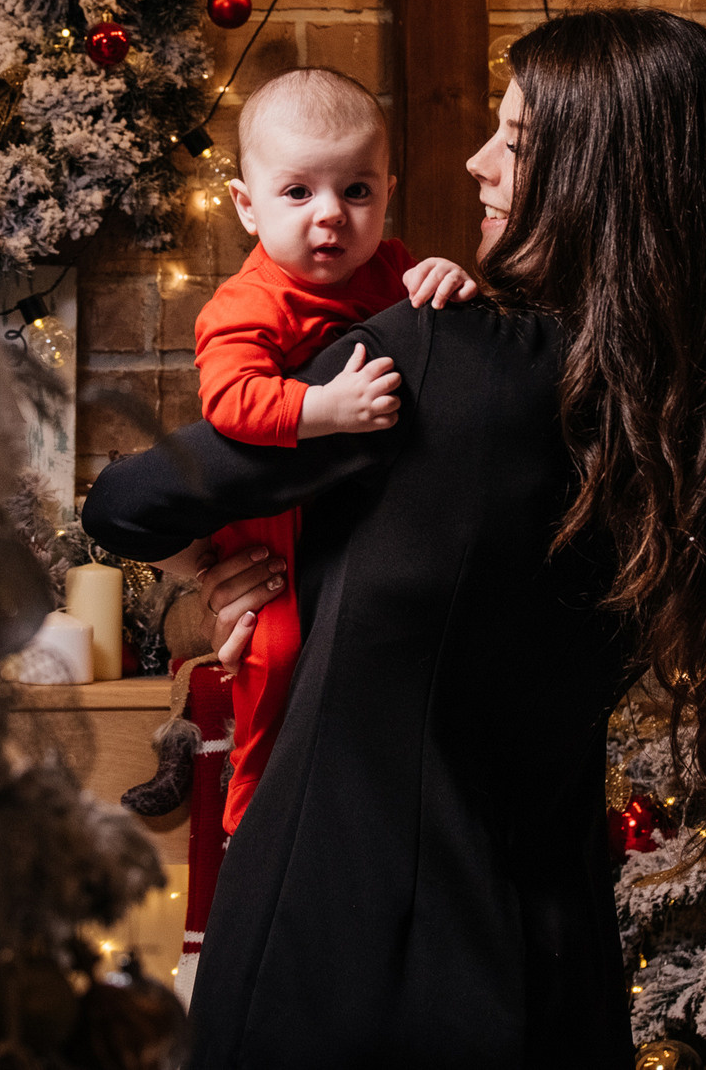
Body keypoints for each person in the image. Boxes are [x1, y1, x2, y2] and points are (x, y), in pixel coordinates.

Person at [84, 10, 706, 1069]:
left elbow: (124, 502)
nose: (474, 162)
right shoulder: (690, 419)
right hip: (549, 966)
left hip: (337, 949)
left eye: (514, 141)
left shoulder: (425, 360)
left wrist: (203, 568)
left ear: (593, 173)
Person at [191, 67, 474, 837]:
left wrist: (445, 277)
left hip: (365, 522)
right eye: (298, 193)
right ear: (247, 206)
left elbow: (438, 331)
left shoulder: (389, 271)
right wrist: (324, 407)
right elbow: (231, 400)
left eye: (356, 191)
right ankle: (249, 812)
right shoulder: (249, 302)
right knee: (275, 656)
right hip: (272, 536)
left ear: (387, 189)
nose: (331, 217)